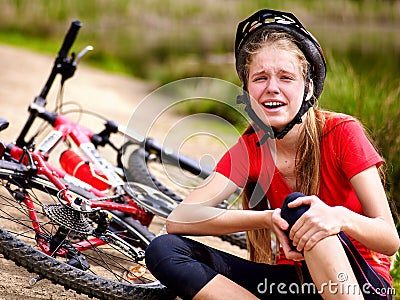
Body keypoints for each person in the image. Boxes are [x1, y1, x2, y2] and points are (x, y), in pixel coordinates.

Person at [145, 8, 400, 300]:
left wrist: (338, 217)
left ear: (309, 88)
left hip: (358, 285)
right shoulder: (251, 146)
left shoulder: (342, 132)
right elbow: (181, 219)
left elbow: (389, 240)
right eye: (260, 78)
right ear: (247, 91)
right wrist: (268, 218)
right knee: (165, 250)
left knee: (300, 207)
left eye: (286, 77)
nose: (272, 88)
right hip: (293, 283)